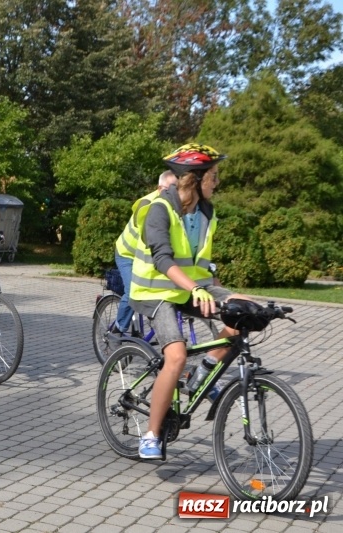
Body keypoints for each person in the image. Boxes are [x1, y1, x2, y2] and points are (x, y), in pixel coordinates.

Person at [129, 143, 248, 460]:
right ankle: (151, 436)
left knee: (243, 317)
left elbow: (203, 265)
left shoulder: (206, 212)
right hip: (155, 292)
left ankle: (203, 372)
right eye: (213, 176)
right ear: (195, 179)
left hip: (189, 288)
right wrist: (196, 290)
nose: (217, 183)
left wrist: (233, 298)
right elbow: (163, 259)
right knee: (177, 355)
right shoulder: (158, 209)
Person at [111, 170, 178, 345]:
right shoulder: (148, 204)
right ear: (159, 188)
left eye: (176, 189)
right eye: (168, 189)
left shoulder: (175, 206)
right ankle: (117, 329)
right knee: (132, 291)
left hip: (146, 256)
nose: (173, 193)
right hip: (127, 254)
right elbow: (151, 239)